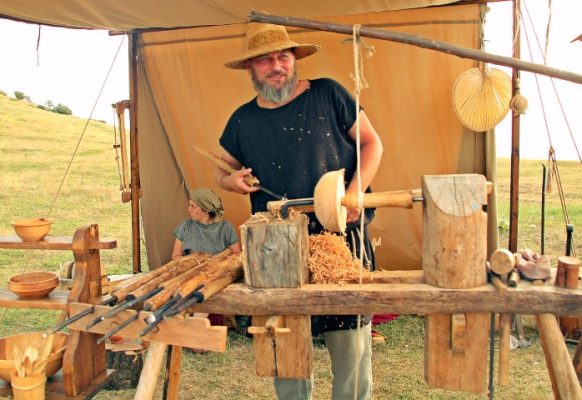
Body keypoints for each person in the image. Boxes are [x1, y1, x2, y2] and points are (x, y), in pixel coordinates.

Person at [215, 22, 383, 400]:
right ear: (250, 68)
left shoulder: (328, 94)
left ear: (294, 59)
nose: (277, 66)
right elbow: (221, 171)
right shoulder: (242, 120)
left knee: (351, 350)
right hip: (276, 250)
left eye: (283, 57)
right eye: (265, 60)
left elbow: (372, 143)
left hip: (340, 242)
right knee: (286, 349)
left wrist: (355, 192)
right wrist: (231, 180)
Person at [171, 187, 241, 261]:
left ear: (206, 209)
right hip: (193, 267)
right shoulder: (186, 226)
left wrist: (217, 263)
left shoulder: (226, 227)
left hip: (219, 267)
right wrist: (195, 260)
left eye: (193, 206)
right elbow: (175, 256)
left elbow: (237, 253)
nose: (189, 210)